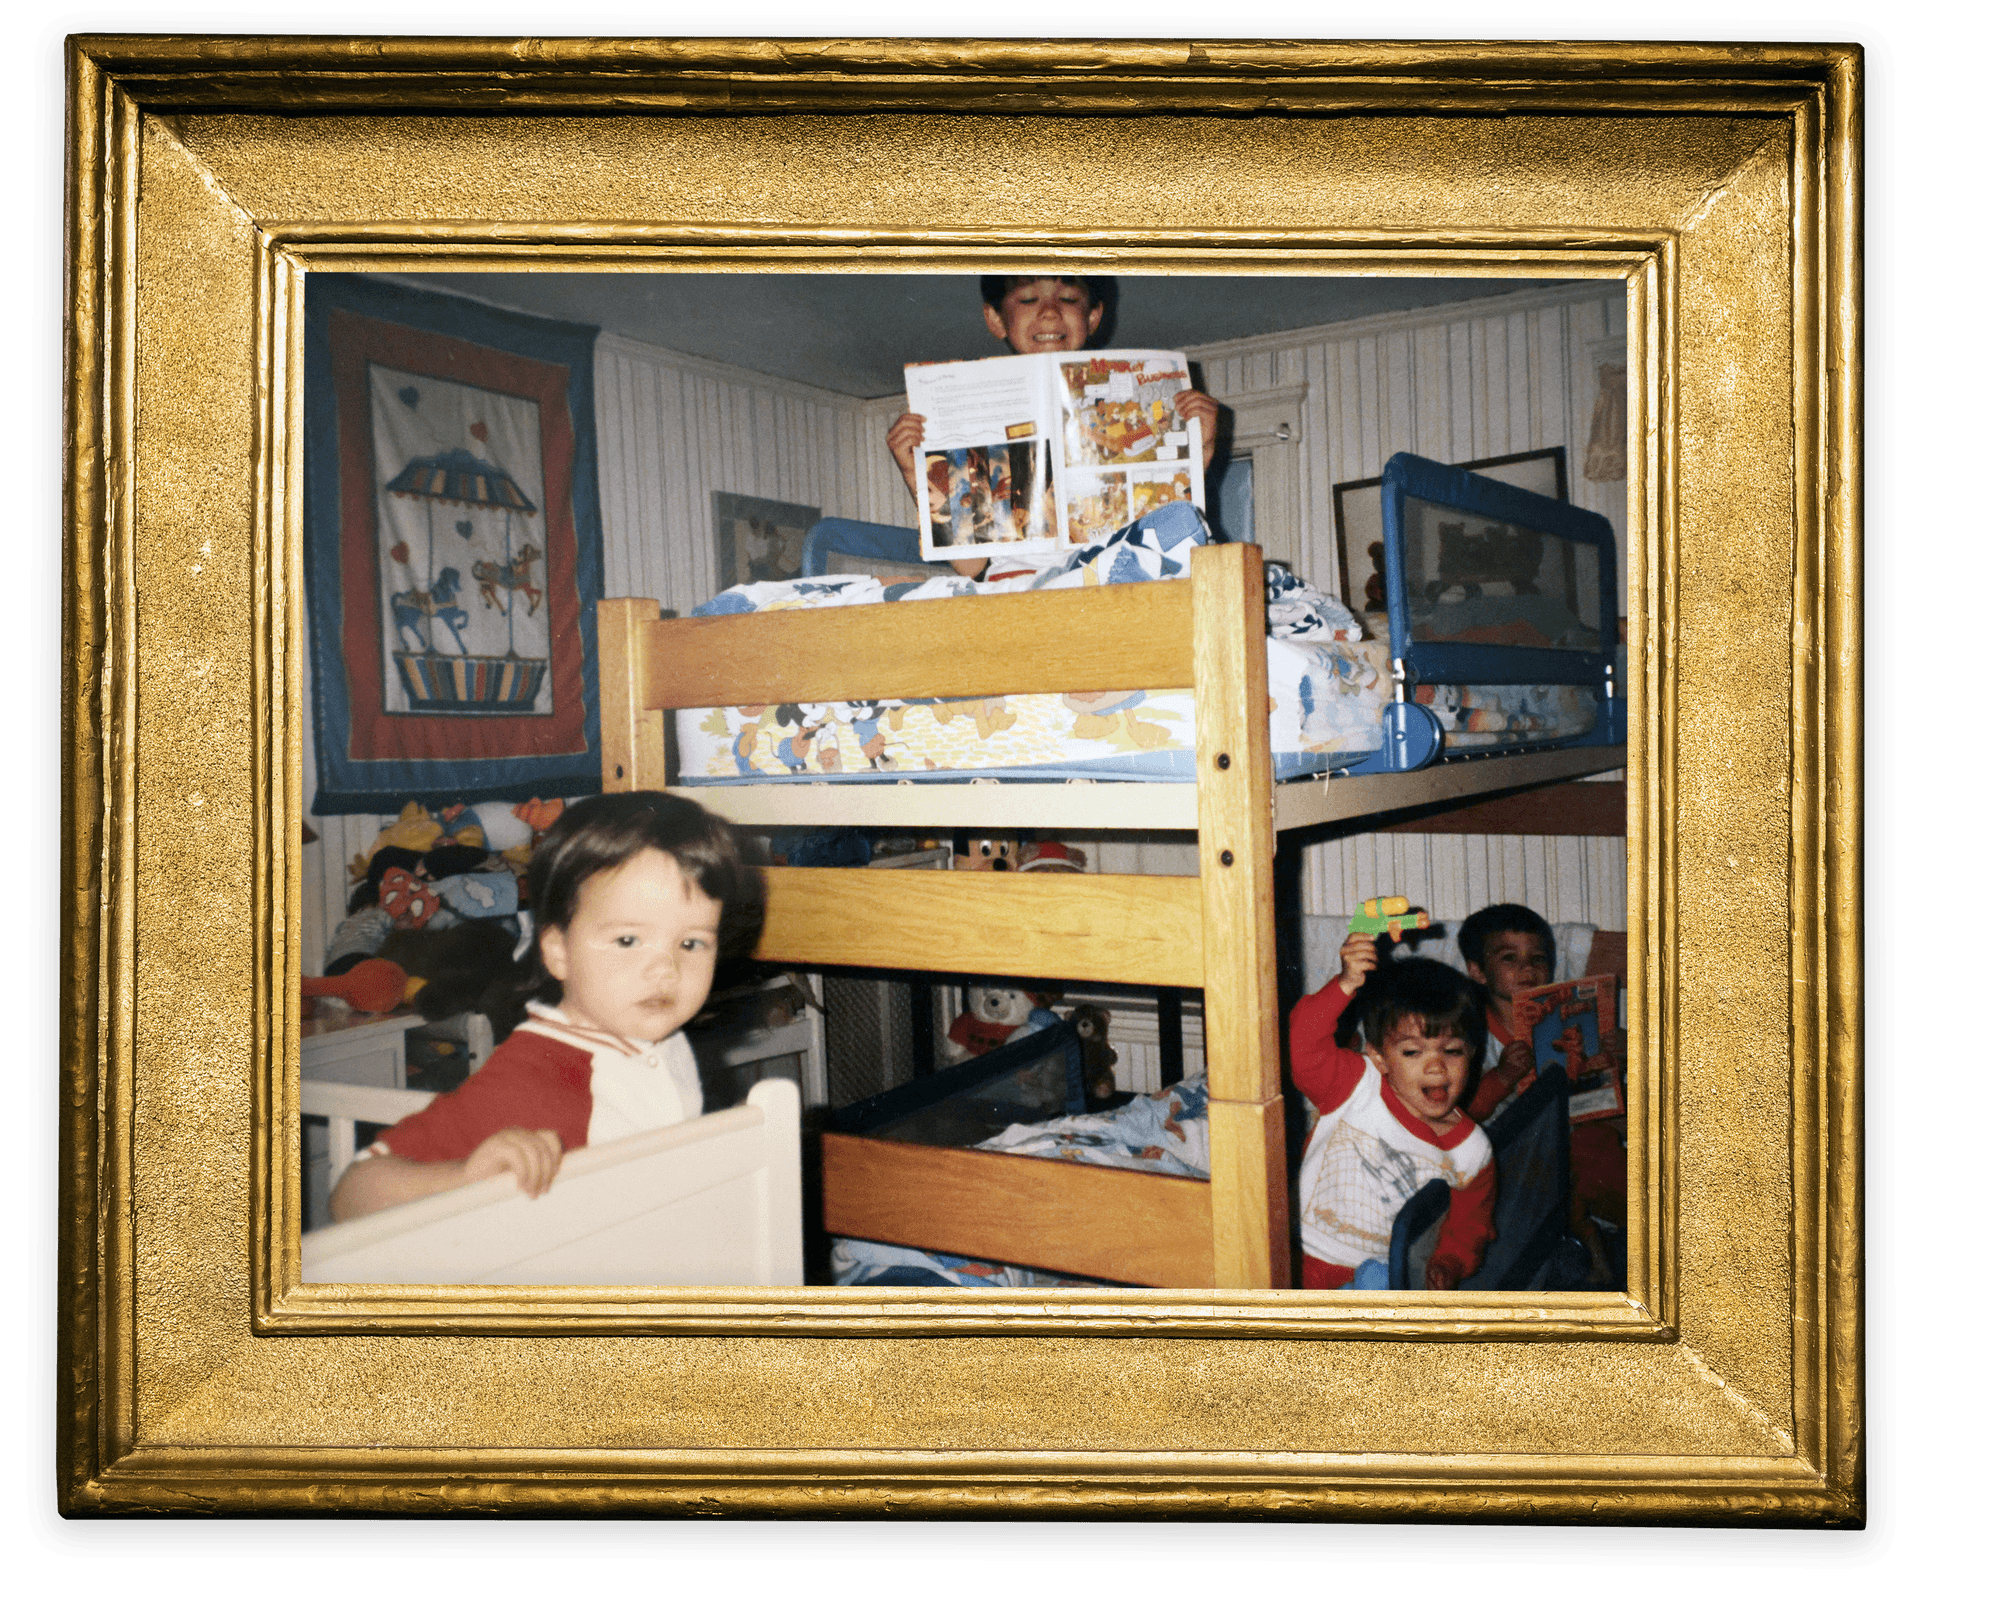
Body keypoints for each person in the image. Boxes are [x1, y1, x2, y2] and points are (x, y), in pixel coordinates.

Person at [328, 792, 763, 1223]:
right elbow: (352, 1194)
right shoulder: (530, 1073)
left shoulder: (659, 1044)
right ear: (558, 952)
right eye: (628, 940)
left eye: (692, 942)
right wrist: (464, 1177)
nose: (666, 968)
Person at [886, 275, 1223, 576]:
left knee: (1182, 544)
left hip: (1112, 572)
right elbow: (969, 565)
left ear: (1092, 316)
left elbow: (1162, 518)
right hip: (1022, 586)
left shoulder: (1121, 397)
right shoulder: (972, 411)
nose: (1049, 312)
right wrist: (915, 473)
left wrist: (1202, 448)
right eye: (1029, 299)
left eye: (1068, 299)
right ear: (995, 319)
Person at [1287, 929, 1496, 1291]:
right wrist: (1345, 983)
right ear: (1379, 1057)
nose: (1436, 1067)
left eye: (1453, 1051)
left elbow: (1470, 1227)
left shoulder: (1473, 1151)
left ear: (1473, 1054)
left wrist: (1449, 1263)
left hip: (1376, 1279)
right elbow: (1299, 1044)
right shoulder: (1356, 1083)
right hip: (1293, 1252)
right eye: (1413, 1052)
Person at [1455, 902, 1557, 1121]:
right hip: (1502, 1142)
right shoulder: (1471, 1032)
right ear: (1478, 971)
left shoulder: (1561, 1016)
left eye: (1538, 958)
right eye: (1510, 957)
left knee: (1596, 1138)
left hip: (1564, 1129)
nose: (1528, 967)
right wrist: (1502, 1078)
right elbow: (1462, 1113)